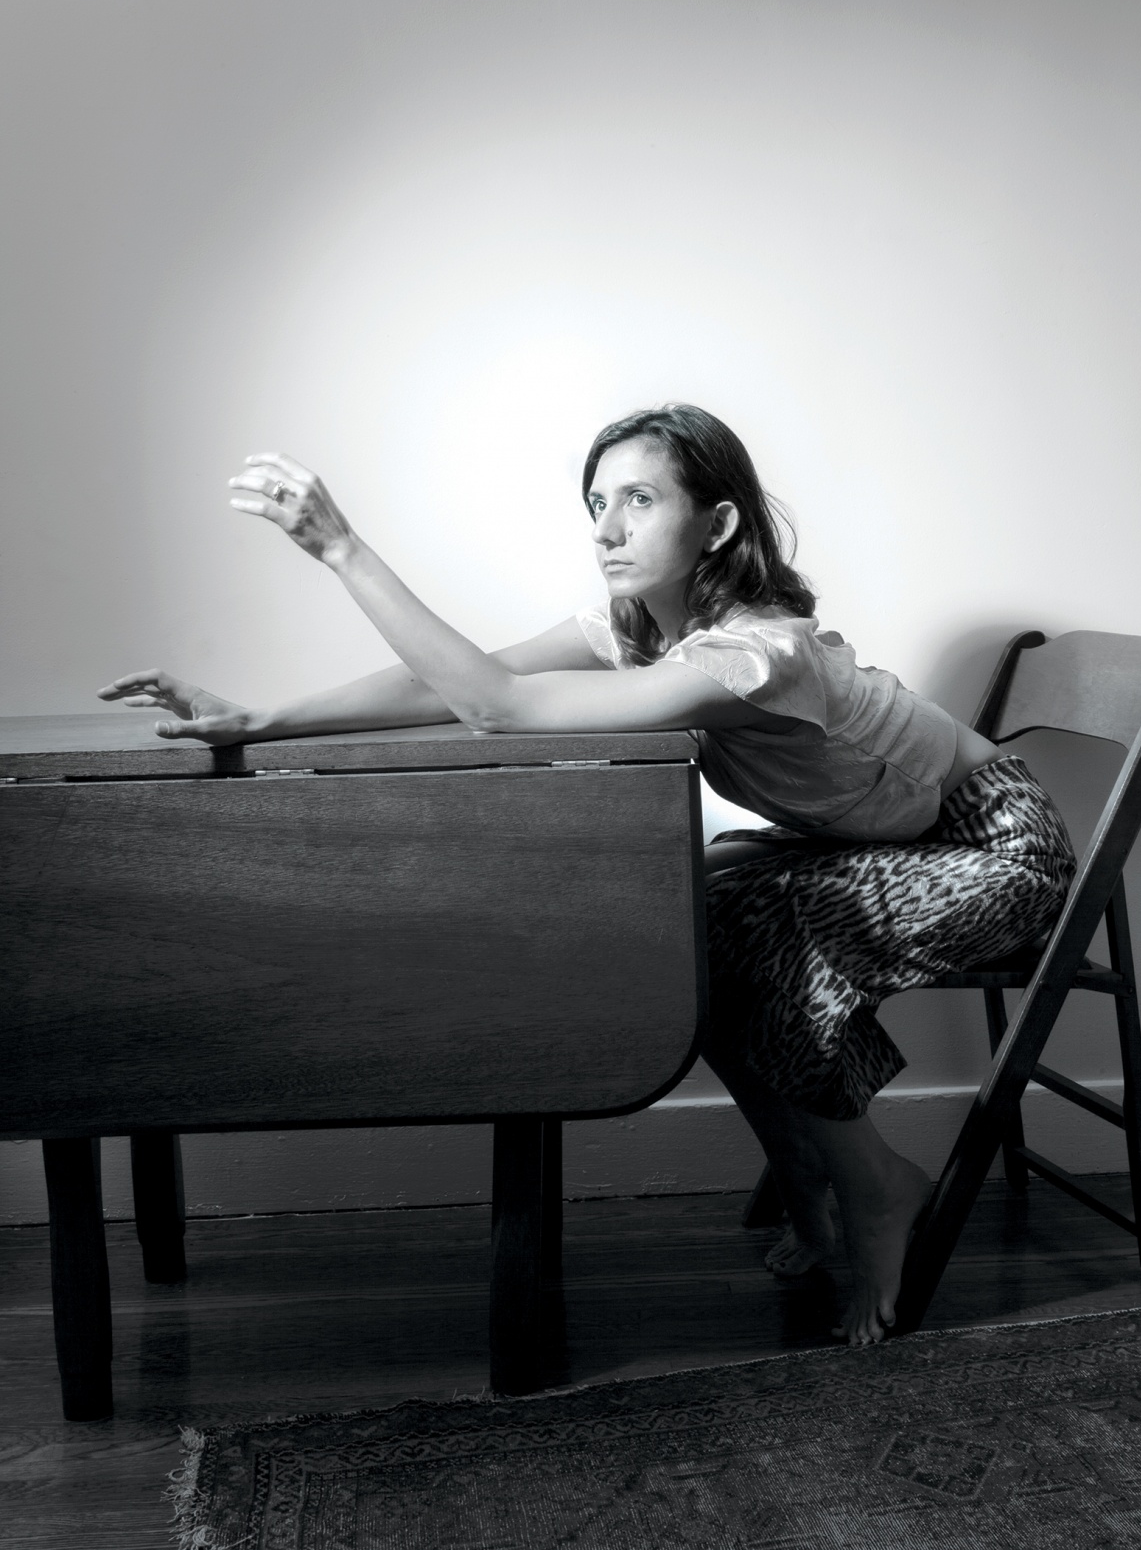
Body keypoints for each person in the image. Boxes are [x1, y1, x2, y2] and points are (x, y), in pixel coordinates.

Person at [99, 402, 1074, 1345]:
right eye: (595, 502)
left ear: (716, 522)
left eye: (639, 500)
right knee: (700, 914)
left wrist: (343, 548)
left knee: (768, 926)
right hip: (874, 843)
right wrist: (262, 720)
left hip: (991, 846)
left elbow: (500, 709)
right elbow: (461, 678)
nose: (606, 527)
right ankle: (808, 1176)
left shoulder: (757, 651)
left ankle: (878, 1189)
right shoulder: (643, 627)